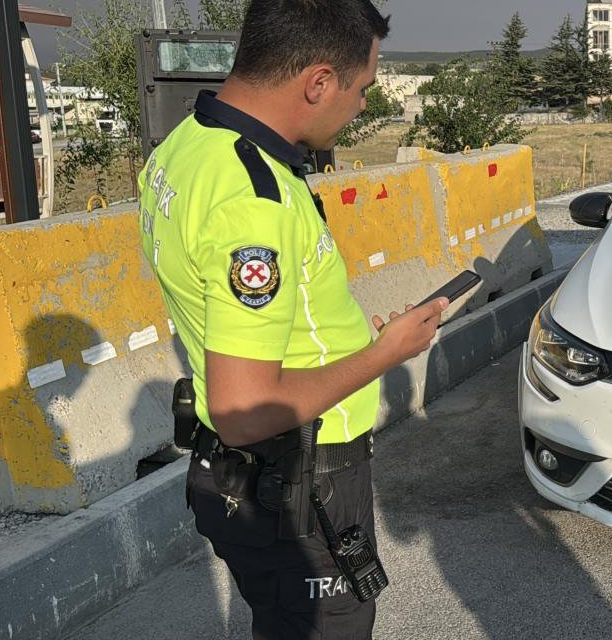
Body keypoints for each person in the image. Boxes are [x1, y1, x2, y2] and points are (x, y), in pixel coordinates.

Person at [136, 1, 443, 637]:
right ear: (319, 82)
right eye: (360, 89)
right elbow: (246, 407)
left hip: (238, 476)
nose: (361, 106)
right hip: (301, 477)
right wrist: (384, 354)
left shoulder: (185, 148)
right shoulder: (256, 200)